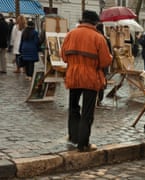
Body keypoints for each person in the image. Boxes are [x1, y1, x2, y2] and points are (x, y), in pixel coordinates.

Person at [61, 10, 112, 152]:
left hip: (74, 75)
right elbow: (105, 61)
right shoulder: (98, 37)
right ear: (95, 22)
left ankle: (73, 136)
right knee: (87, 111)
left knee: (73, 107)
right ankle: (83, 144)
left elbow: (64, 56)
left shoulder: (71, 34)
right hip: (90, 77)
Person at [95, 23, 112, 106]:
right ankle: (99, 98)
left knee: (98, 80)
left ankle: (98, 98)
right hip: (104, 64)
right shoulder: (105, 38)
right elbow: (110, 53)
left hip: (98, 63)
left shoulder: (99, 38)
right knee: (102, 80)